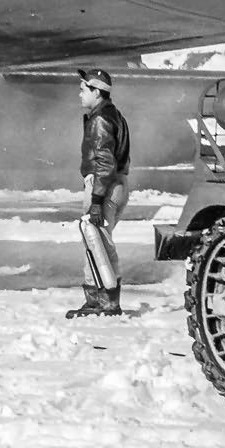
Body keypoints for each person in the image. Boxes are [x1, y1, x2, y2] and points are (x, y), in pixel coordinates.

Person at [67, 67, 132, 318]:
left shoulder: (101, 120)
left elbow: (104, 162)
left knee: (99, 242)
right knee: (95, 242)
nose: (80, 94)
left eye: (84, 90)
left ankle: (106, 302)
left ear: (97, 91)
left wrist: (95, 200)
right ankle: (98, 299)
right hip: (113, 184)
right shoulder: (111, 115)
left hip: (104, 186)